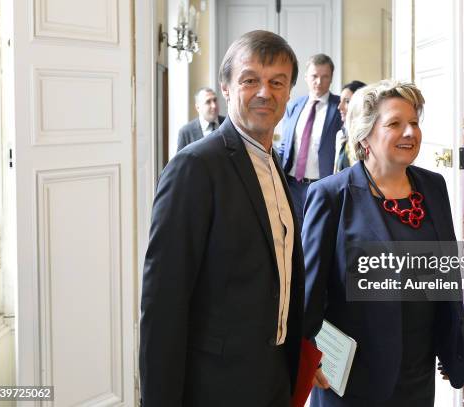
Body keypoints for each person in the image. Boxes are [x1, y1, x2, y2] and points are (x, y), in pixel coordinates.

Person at [140, 30, 305, 406]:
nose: (265, 92)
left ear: (289, 93)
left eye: (277, 82)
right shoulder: (195, 166)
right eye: (250, 80)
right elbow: (163, 302)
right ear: (227, 88)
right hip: (216, 386)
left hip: (274, 376)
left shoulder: (273, 162)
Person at [302, 80, 464, 406]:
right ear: (365, 135)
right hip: (352, 376)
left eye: (415, 123)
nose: (410, 132)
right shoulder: (332, 195)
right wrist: (306, 355)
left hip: (417, 372)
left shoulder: (433, 187)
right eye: (395, 123)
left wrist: (452, 343)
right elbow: (310, 289)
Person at [279, 54, 343, 224]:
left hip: (322, 185)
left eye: (325, 77)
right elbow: (285, 145)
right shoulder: (293, 106)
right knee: (293, 232)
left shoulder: (340, 107)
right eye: (314, 76)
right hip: (291, 185)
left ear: (331, 79)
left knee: (318, 232)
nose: (319, 82)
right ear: (306, 77)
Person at [177, 87, 225, 151]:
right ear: (198, 107)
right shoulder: (186, 132)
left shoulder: (227, 123)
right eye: (208, 102)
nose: (214, 106)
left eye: (215, 100)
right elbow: (181, 160)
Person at [333, 80, 366, 173]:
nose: (339, 107)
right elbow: (336, 172)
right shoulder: (340, 135)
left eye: (347, 101)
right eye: (340, 101)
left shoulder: (369, 137)